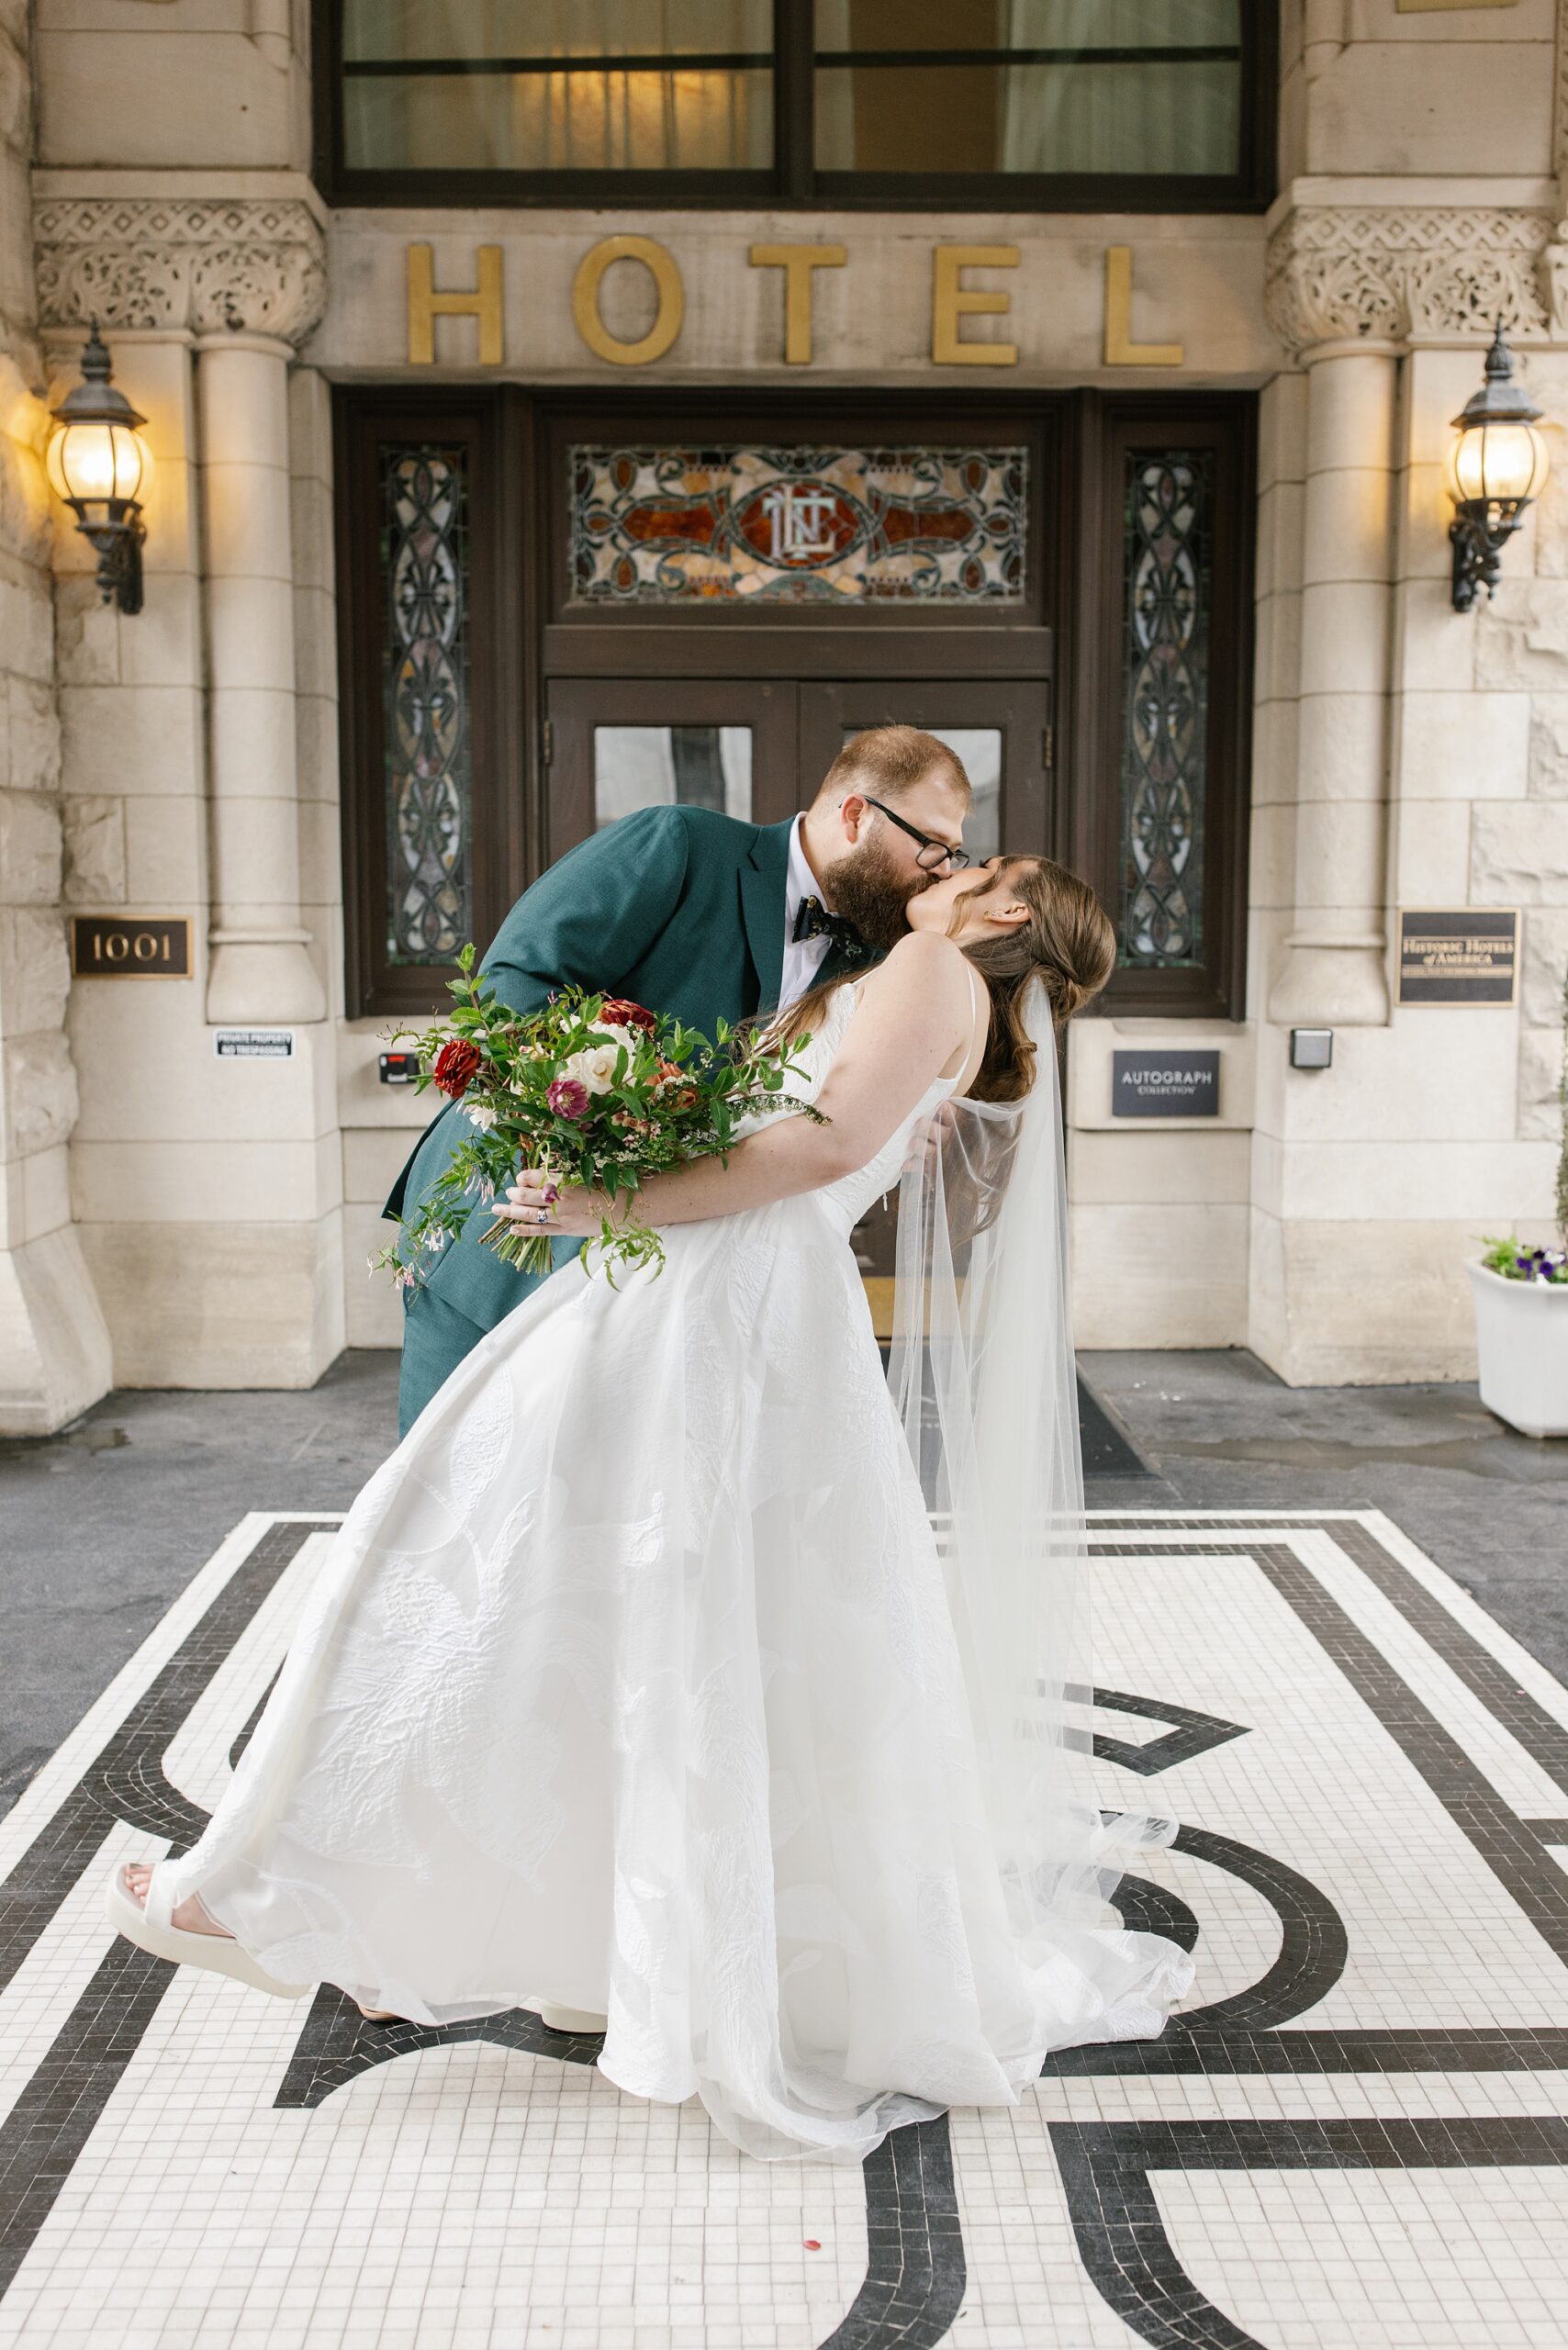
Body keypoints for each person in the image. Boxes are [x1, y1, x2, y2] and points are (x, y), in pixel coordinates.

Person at [106, 851, 1193, 2164]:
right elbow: (839, 1144)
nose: (951, 867)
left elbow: (826, 1145)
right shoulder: (949, 998)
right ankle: (418, 1918)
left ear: (1007, 915)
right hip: (730, 1309)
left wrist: (598, 1191)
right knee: (612, 1613)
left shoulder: (928, 969)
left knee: (483, 1577)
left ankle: (310, 1902)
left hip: (714, 1316)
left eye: (980, 864)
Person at [386, 724, 973, 1434]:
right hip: (508, 1227)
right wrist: (589, 1126)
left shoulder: (883, 955)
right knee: (445, 1497)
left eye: (954, 853)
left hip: (664, 1288)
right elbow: (516, 980)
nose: (943, 869)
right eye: (933, 845)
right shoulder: (680, 844)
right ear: (857, 816)